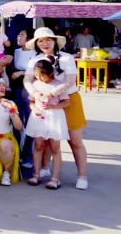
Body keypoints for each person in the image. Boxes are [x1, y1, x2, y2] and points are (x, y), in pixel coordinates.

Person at [23, 27, 88, 190]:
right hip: (43, 101)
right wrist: (35, 94)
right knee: (44, 139)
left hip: (68, 100)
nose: (45, 43)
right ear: (36, 44)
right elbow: (27, 80)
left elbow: (70, 81)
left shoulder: (66, 57)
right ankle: (44, 169)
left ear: (54, 41)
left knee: (75, 141)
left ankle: (82, 176)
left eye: (48, 40)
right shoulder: (34, 60)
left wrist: (51, 93)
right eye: (41, 41)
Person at [25, 60, 70, 189]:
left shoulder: (58, 85)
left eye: (42, 75)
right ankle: (36, 174)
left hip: (54, 116)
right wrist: (34, 109)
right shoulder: (35, 85)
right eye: (37, 75)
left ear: (50, 73)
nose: (39, 77)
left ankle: (55, 178)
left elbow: (66, 102)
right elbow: (31, 102)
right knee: (38, 145)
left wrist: (52, 106)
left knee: (55, 147)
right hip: (39, 116)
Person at [9, 28, 36, 168]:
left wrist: (21, 73)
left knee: (30, 120)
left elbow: (37, 71)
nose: (19, 36)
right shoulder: (16, 51)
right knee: (16, 118)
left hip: (29, 88)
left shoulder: (35, 54)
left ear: (29, 39)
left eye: (22, 35)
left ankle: (28, 155)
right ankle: (18, 152)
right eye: (19, 34)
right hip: (16, 88)